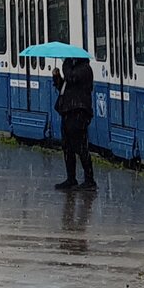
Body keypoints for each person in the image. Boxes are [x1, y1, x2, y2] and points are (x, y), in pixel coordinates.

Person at [52, 57, 95, 191]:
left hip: (78, 113)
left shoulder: (84, 69)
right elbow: (64, 88)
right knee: (67, 147)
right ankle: (71, 178)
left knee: (81, 147)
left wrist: (65, 66)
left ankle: (89, 180)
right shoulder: (71, 69)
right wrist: (57, 77)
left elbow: (71, 78)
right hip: (68, 112)